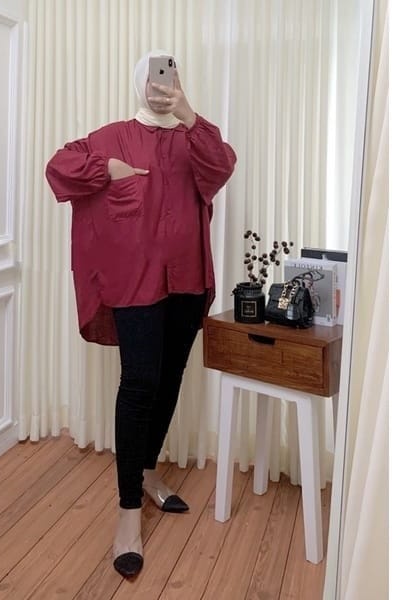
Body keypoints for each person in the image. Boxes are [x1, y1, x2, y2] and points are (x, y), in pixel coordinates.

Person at [45, 49, 236, 578]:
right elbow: (58, 167)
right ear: (139, 84)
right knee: (139, 384)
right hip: (136, 285)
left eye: (169, 78)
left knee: (170, 378)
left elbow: (222, 165)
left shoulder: (194, 139)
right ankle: (128, 511)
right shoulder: (111, 137)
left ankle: (149, 472)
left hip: (187, 281)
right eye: (153, 79)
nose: (160, 86)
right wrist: (105, 169)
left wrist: (189, 113)